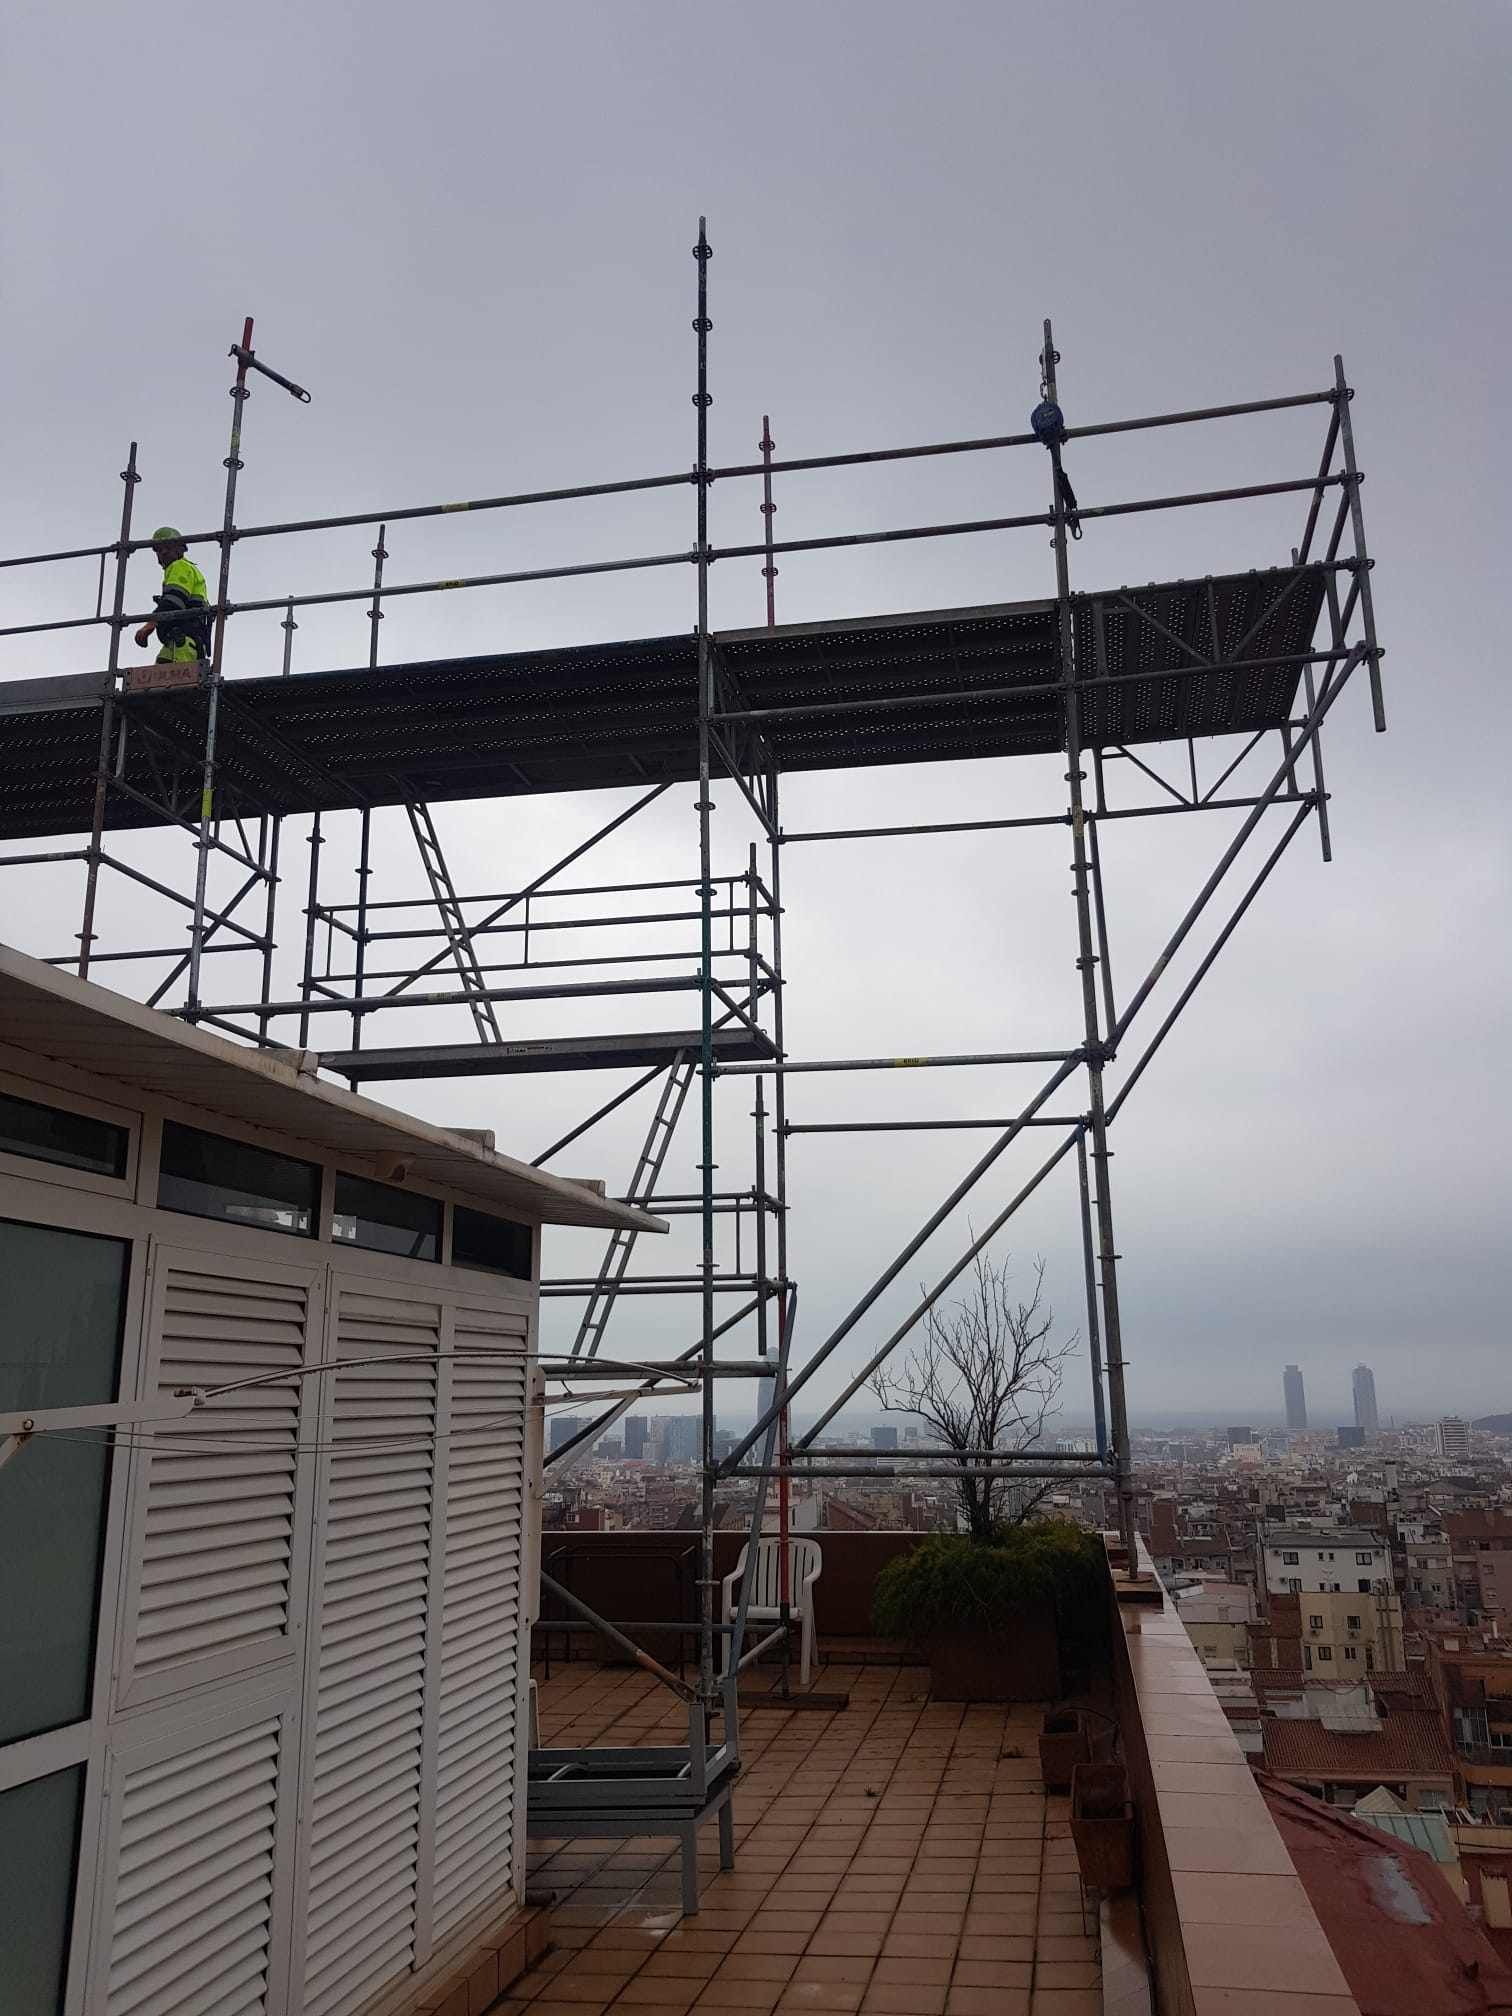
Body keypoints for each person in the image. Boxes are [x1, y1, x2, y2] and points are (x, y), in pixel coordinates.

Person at [133, 527, 212, 664]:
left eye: (168, 546)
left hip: (181, 643)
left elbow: (174, 601)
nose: (163, 552)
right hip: (187, 644)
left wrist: (149, 625)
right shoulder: (188, 570)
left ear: (181, 549)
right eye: (158, 549)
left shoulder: (179, 566)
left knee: (161, 682)